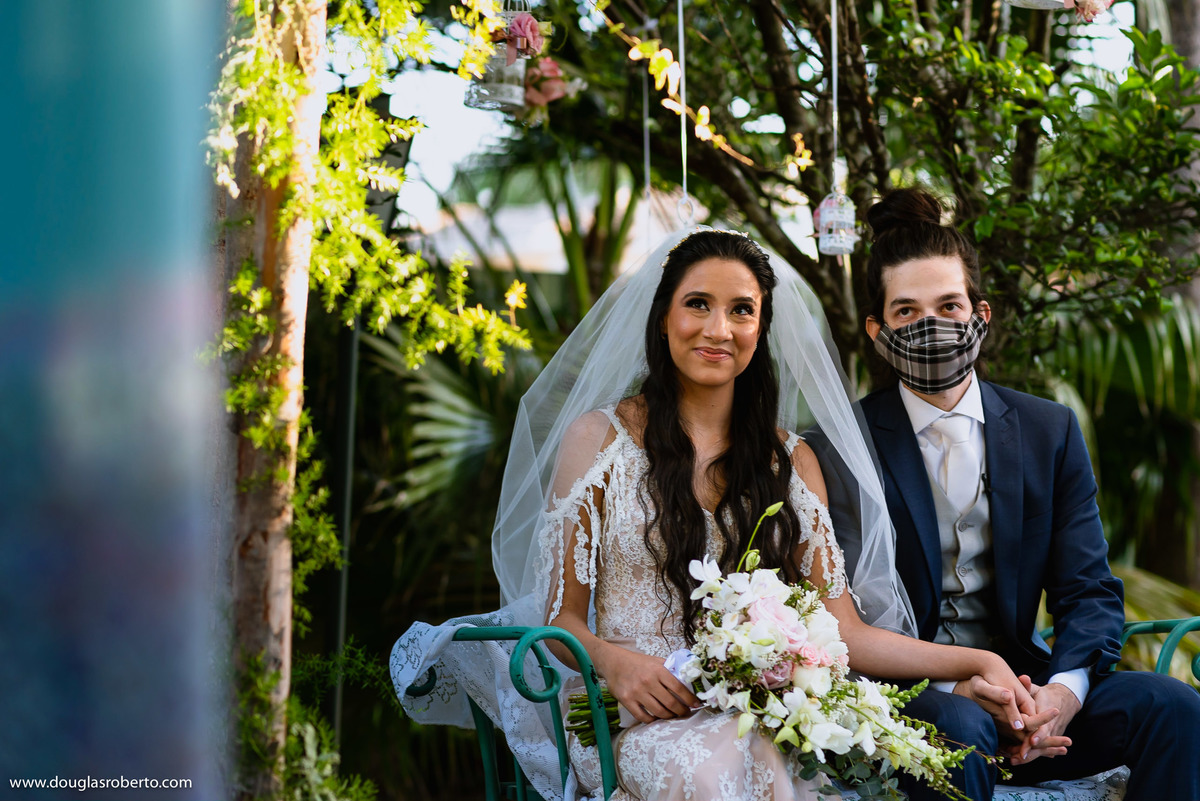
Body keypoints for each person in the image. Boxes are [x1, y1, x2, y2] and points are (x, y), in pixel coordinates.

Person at [391, 229, 1032, 801]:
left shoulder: (791, 461)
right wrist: (614, 665)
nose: (717, 329)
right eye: (698, 304)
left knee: (789, 754)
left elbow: (845, 633)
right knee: (713, 771)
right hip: (633, 714)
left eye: (741, 310)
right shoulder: (598, 442)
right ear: (664, 317)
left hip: (761, 710)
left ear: (761, 328)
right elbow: (563, 617)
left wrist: (976, 663)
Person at [827, 187, 1200, 801]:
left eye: (950, 306)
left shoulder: (1047, 430)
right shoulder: (842, 446)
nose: (932, 327)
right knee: (965, 728)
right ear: (876, 329)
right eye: (906, 313)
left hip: (1032, 689)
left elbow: (1089, 589)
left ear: (982, 314)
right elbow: (844, 624)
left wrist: (1060, 697)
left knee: (1173, 707)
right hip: (915, 700)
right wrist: (965, 690)